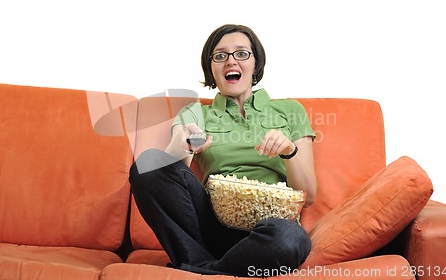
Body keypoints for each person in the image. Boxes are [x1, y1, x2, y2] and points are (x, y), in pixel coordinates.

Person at [129, 24, 316, 276]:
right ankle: (216, 267)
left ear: (255, 63)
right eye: (220, 56)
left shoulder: (290, 110)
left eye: (241, 53)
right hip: (212, 225)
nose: (231, 61)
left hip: (270, 228)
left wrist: (289, 150)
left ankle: (205, 269)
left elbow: (309, 196)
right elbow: (172, 178)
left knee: (290, 239)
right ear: (212, 68)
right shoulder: (196, 112)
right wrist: (181, 145)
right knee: (149, 164)